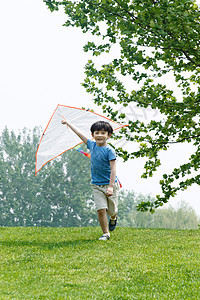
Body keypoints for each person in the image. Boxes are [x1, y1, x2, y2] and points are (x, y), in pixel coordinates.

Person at [61, 119, 119, 241]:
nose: (99, 135)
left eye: (103, 133)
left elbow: (113, 169)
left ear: (109, 135)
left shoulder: (110, 150)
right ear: (92, 135)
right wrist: (68, 123)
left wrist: (110, 186)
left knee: (111, 210)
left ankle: (113, 218)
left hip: (110, 184)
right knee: (101, 209)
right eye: (96, 132)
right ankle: (106, 233)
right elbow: (78, 133)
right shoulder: (91, 146)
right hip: (96, 185)